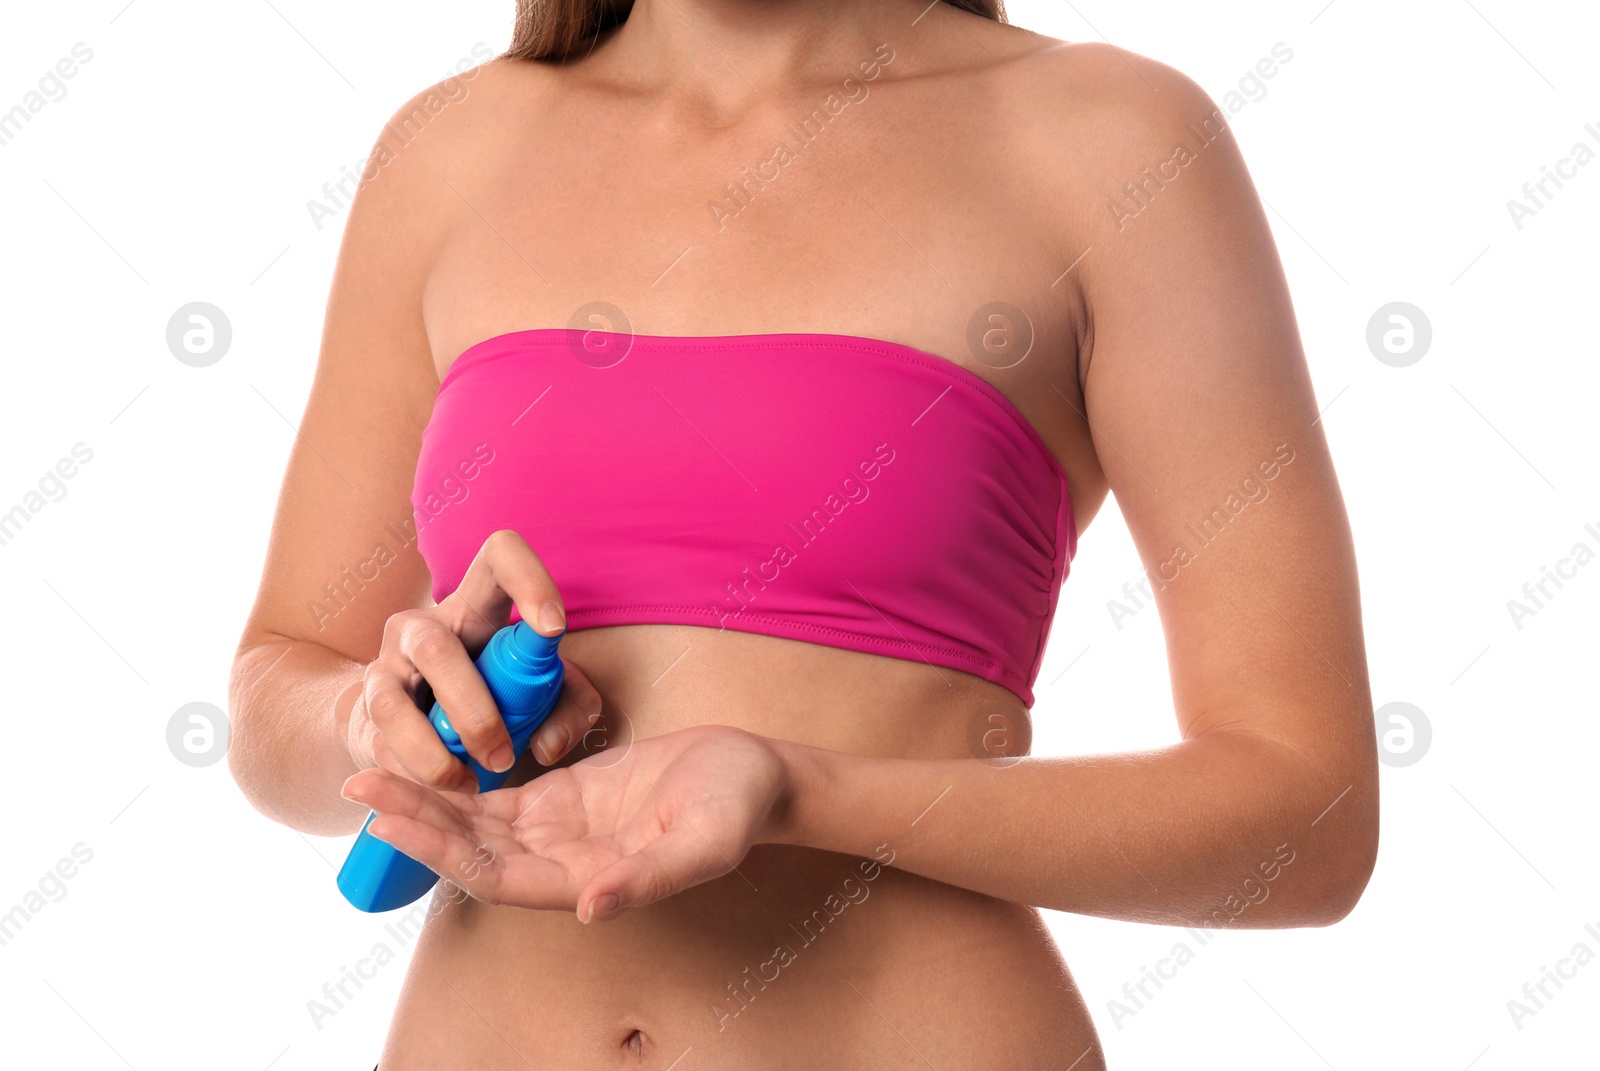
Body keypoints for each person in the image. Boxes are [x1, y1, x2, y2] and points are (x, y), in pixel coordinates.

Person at [228, 2, 1379, 1066]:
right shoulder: (448, 149)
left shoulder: (1107, 143)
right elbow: (279, 681)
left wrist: (802, 794)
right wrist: (368, 717)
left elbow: (1306, 816)